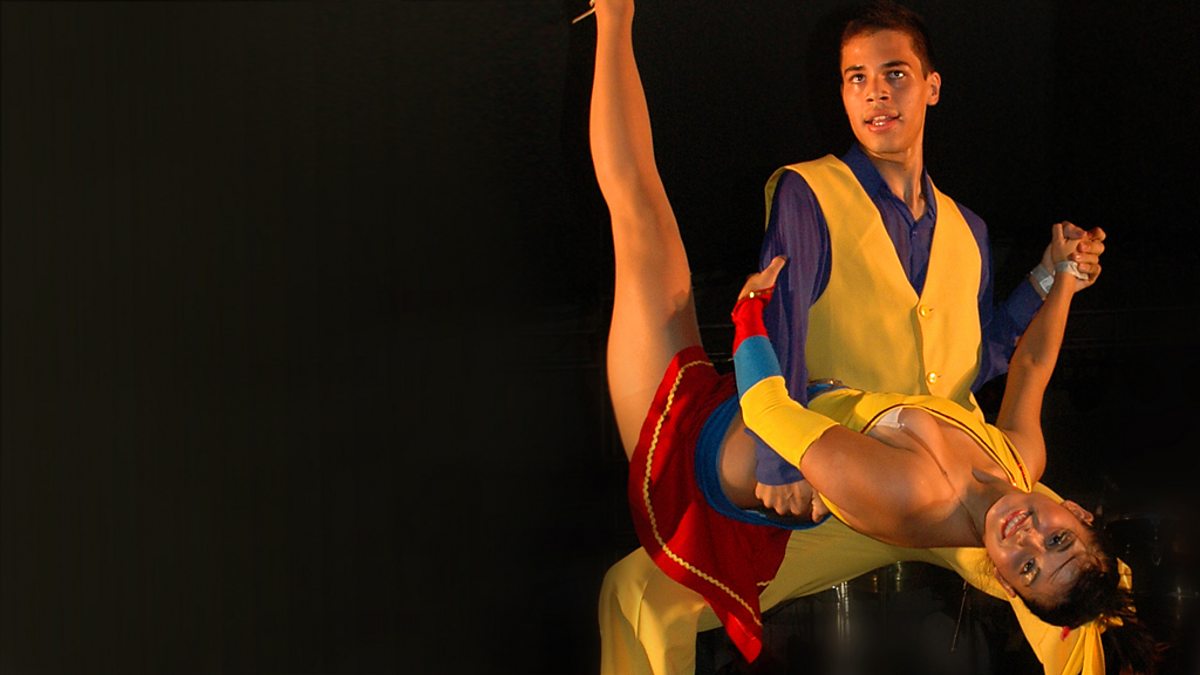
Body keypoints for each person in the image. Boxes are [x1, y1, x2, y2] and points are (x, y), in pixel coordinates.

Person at [586, 0, 1152, 673]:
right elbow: (1005, 361)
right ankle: (614, 14)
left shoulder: (966, 232)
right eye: (858, 77)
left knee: (1092, 593)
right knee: (641, 593)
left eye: (895, 74)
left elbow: (785, 395)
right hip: (824, 464)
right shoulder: (815, 192)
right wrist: (1056, 280)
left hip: (823, 458)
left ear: (932, 86)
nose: (877, 92)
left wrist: (775, 443)